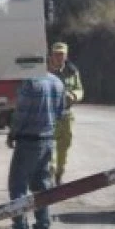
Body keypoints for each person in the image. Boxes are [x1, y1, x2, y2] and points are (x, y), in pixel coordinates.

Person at [0, 68, 67, 229]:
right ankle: (42, 226)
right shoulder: (57, 82)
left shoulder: (30, 82)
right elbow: (61, 113)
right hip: (47, 140)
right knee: (41, 185)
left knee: (18, 185)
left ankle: (20, 228)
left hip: (28, 140)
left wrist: (12, 134)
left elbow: (21, 114)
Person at [48, 41, 84, 184]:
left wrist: (74, 95)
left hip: (66, 114)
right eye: (56, 54)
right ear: (51, 55)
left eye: (61, 54)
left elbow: (80, 89)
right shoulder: (45, 71)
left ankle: (59, 172)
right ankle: (50, 172)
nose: (59, 57)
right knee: (49, 145)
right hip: (50, 114)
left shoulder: (72, 71)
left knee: (65, 145)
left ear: (66, 55)